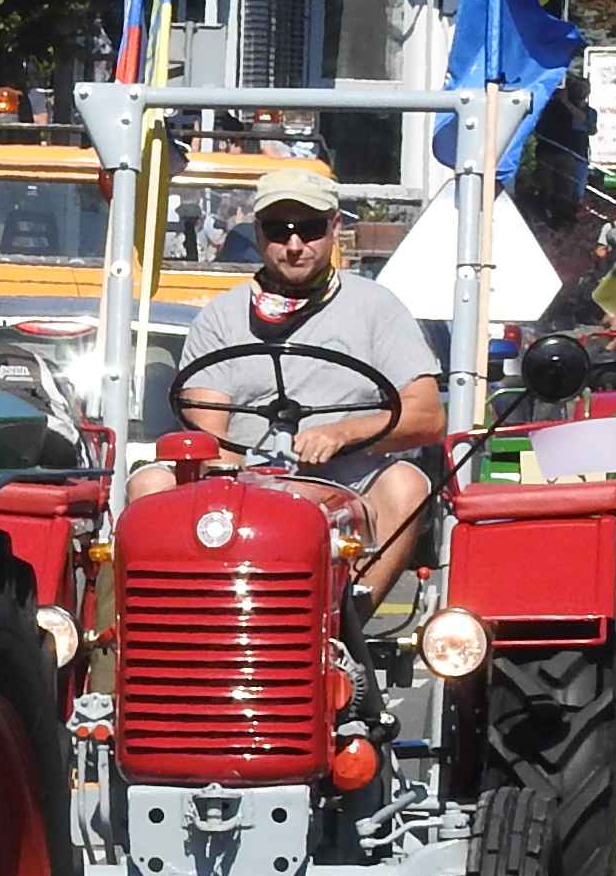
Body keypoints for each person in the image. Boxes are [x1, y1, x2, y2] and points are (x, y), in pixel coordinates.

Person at [165, 163, 445, 607]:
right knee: (149, 489)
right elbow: (209, 431)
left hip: (350, 479)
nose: (294, 245)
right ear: (258, 234)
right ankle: (147, 640)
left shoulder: (376, 308)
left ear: (335, 228)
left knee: (408, 484)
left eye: (310, 229)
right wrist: (241, 483)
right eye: (279, 230)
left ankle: (346, 619)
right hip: (243, 478)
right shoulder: (220, 317)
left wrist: (344, 433)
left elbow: (428, 415)